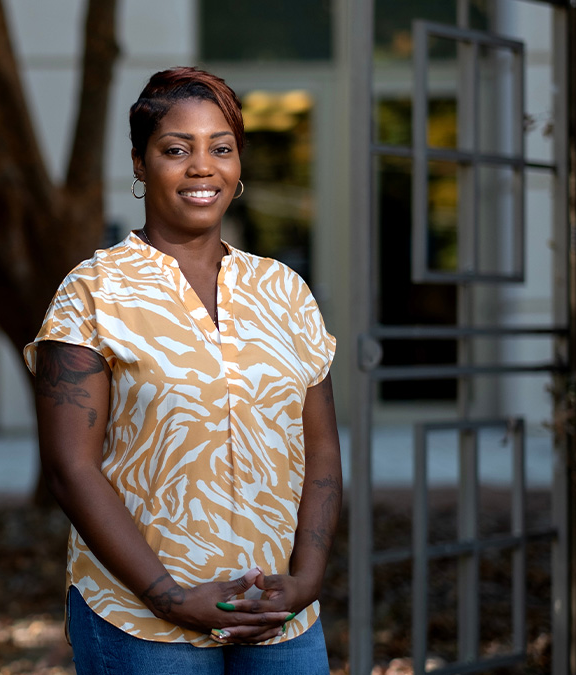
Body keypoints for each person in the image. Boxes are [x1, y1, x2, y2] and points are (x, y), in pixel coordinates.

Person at [23, 66, 341, 675]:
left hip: (281, 619)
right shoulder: (93, 291)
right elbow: (71, 468)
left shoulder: (286, 292)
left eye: (221, 148)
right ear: (141, 166)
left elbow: (322, 449)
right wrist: (168, 596)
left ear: (239, 164)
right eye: (176, 149)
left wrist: (306, 580)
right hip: (141, 624)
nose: (202, 167)